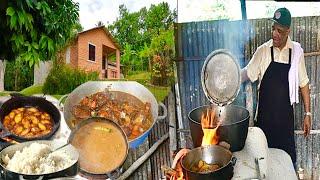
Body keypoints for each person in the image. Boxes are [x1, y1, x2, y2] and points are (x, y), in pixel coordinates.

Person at [241, 7, 311, 165]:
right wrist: (230, 77)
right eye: (273, 28)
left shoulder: (296, 52)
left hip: (285, 124)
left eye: (279, 31)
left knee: (287, 164)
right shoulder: (263, 51)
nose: (274, 34)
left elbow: (304, 83)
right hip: (264, 124)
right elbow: (247, 72)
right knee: (264, 165)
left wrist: (308, 113)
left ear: (288, 31)